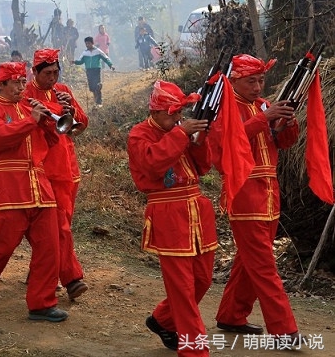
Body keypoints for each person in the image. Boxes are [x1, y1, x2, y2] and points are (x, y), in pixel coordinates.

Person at [0, 61, 68, 323]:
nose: (21, 87)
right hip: (8, 187)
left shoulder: (29, 108)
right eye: (15, 82)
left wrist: (46, 122)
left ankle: (41, 303)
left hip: (39, 185)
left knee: (49, 246)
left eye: (23, 82)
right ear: (1, 85)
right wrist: (31, 122)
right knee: (2, 246)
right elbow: (0, 137)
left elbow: (52, 140)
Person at [209, 54, 300, 342]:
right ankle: (284, 329)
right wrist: (264, 119)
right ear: (235, 81)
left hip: (270, 192)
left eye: (261, 80)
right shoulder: (225, 108)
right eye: (252, 81)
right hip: (245, 193)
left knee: (250, 261)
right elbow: (224, 147)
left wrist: (286, 124)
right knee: (263, 265)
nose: (258, 87)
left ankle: (231, 315)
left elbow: (283, 142)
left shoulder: (261, 105)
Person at [127, 80, 216, 356]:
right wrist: (181, 135)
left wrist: (199, 139)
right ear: (154, 112)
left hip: (196, 210)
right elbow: (153, 164)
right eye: (172, 113)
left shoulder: (178, 130)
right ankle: (194, 350)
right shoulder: (138, 135)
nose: (178, 118)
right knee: (182, 288)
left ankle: (163, 320)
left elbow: (202, 168)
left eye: (179, 113)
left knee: (202, 279)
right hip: (167, 213)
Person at [24, 48, 89, 301]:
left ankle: (40, 269)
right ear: (35, 72)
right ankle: (72, 278)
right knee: (58, 227)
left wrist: (70, 108)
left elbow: (80, 124)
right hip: (44, 168)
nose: (52, 77)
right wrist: (54, 107)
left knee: (62, 225)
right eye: (47, 73)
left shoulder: (63, 90)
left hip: (68, 167)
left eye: (55, 72)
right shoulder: (27, 93)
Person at [73, 36, 114, 107]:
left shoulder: (98, 51)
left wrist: (110, 65)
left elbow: (106, 58)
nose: (87, 45)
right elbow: (80, 61)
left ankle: (99, 102)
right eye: (86, 43)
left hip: (96, 70)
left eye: (88, 43)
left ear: (92, 43)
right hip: (89, 71)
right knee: (92, 87)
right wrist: (75, 62)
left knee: (97, 85)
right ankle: (96, 99)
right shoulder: (85, 53)